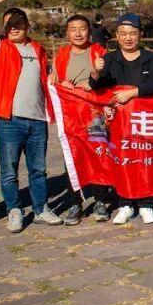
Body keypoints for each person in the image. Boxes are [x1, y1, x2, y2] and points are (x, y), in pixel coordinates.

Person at [0, 0, 64, 233]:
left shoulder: (38, 50)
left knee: (39, 170)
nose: (13, 28)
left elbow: (45, 79)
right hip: (10, 120)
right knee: (9, 171)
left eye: (18, 23)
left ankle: (41, 209)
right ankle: (14, 210)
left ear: (27, 26)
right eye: (8, 25)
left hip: (37, 120)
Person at [88, 13, 153, 224]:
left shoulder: (151, 57)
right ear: (116, 35)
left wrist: (131, 93)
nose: (128, 38)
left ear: (140, 34)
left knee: (144, 160)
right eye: (123, 33)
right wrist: (96, 72)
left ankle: (146, 203)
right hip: (118, 122)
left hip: (143, 121)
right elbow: (96, 86)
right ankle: (125, 203)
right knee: (122, 161)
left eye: (132, 33)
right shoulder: (109, 59)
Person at [50, 14, 108, 224]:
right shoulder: (61, 54)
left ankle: (100, 200)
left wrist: (94, 80)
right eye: (73, 29)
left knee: (99, 155)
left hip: (94, 114)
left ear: (89, 31)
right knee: (72, 158)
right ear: (67, 33)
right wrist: (58, 82)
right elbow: (54, 80)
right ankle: (75, 202)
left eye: (82, 28)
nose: (78, 33)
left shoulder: (99, 51)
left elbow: (107, 81)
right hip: (71, 115)